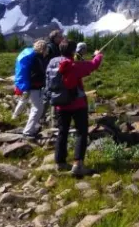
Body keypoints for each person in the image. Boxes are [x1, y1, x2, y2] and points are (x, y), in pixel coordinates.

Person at [46, 40, 103, 176]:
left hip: (60, 104)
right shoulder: (74, 65)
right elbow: (93, 65)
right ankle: (78, 165)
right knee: (81, 133)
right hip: (77, 104)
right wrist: (98, 55)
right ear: (72, 51)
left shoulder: (52, 62)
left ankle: (60, 163)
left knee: (62, 132)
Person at [12, 40, 47, 138]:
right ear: (43, 49)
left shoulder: (32, 56)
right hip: (35, 86)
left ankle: (16, 117)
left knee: (26, 102)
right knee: (37, 109)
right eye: (46, 49)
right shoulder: (37, 58)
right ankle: (28, 131)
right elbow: (36, 73)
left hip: (29, 85)